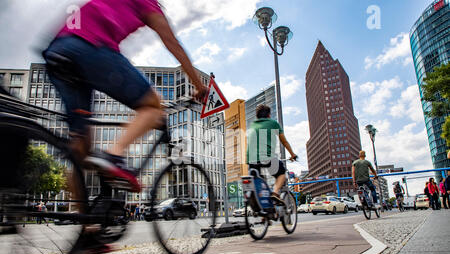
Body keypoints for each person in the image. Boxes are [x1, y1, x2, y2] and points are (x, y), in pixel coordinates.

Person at [42, 0, 208, 192]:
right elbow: (171, 42)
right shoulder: (147, 2)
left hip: (59, 51)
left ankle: (86, 220)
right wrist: (199, 85)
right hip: (91, 46)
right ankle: (113, 155)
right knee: (153, 106)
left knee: (81, 147)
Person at [246, 105, 297, 204]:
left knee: (259, 186)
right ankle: (275, 192)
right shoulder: (273, 123)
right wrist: (292, 154)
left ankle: (264, 215)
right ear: (269, 115)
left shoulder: (253, 125)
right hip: (267, 158)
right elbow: (284, 142)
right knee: (281, 173)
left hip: (251, 160)